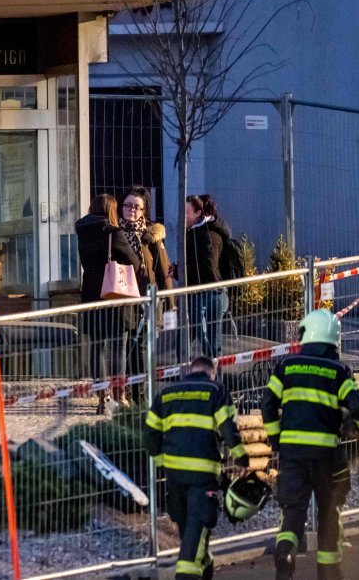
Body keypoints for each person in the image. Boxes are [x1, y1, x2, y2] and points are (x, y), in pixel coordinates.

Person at [261, 309, 359, 580]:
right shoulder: (338, 370)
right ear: (333, 337)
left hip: (292, 454)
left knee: (293, 511)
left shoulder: (286, 366)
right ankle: (329, 572)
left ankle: (285, 552)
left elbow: (267, 404)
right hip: (326, 455)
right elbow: (357, 406)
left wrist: (277, 439)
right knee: (328, 512)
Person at [144, 357, 248, 580]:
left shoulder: (166, 394)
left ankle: (205, 563)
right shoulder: (216, 390)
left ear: (190, 370)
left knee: (187, 525)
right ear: (212, 372)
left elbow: (150, 432)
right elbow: (228, 428)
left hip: (174, 474)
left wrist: (162, 462)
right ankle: (187, 573)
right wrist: (241, 458)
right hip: (203, 473)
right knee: (197, 523)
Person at [75, 194, 141, 412]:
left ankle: (101, 398)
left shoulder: (82, 233)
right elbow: (134, 261)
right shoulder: (113, 233)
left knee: (96, 349)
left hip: (91, 295)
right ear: (111, 211)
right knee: (117, 350)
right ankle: (118, 396)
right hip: (114, 296)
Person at [120, 186, 174, 381]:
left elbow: (163, 272)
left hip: (146, 300)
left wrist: (170, 303)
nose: (131, 210)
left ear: (144, 210)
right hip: (124, 301)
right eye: (127, 205)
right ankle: (128, 392)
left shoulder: (152, 235)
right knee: (125, 348)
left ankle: (141, 395)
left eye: (137, 207)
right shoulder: (116, 233)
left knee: (142, 347)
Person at [185, 194, 231, 358]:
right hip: (204, 293)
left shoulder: (205, 235)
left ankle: (214, 381)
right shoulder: (196, 232)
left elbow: (207, 268)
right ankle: (196, 378)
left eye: (186, 212)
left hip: (208, 294)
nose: (182, 217)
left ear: (198, 213)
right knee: (190, 341)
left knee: (209, 343)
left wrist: (180, 271)